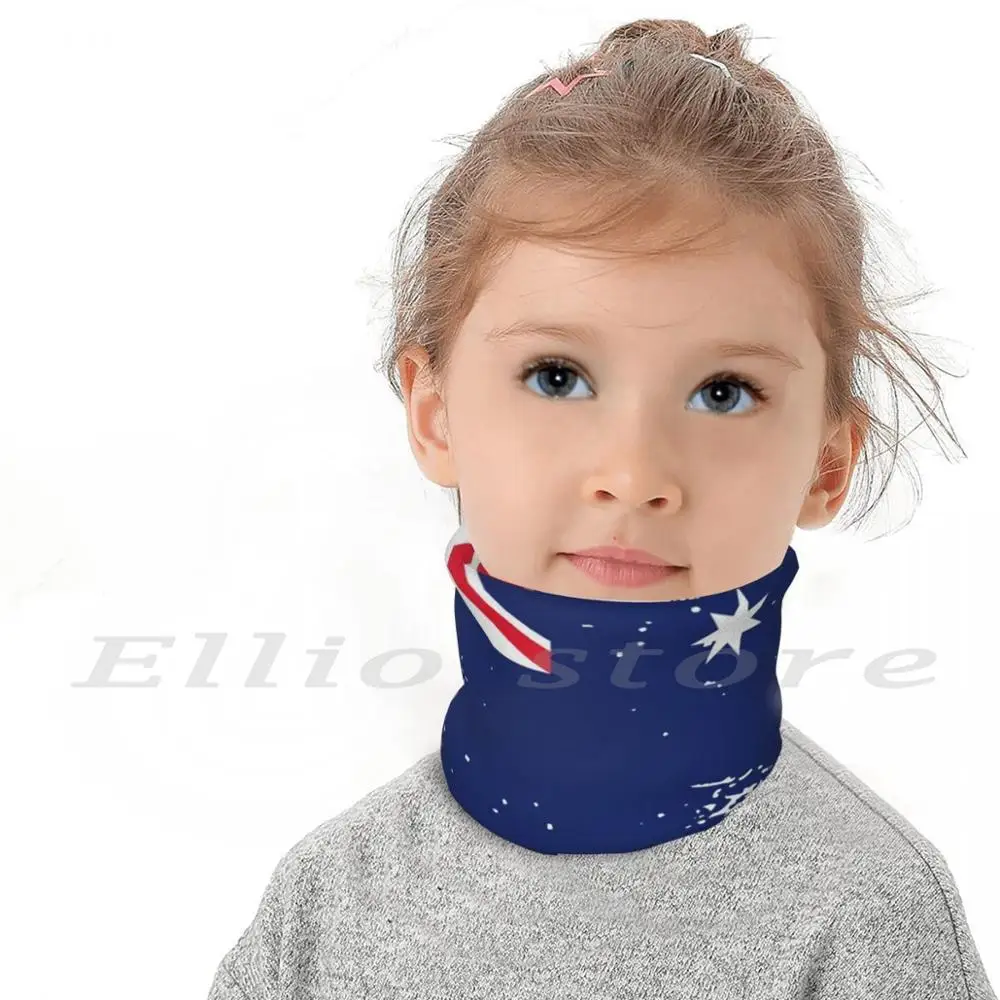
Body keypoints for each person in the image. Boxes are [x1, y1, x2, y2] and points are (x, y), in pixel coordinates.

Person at [207, 17, 996, 998]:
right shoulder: (326, 907)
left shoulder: (865, 918)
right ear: (434, 412)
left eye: (722, 392)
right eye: (557, 376)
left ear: (826, 465)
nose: (633, 472)